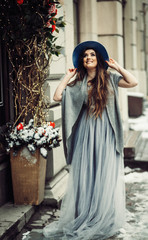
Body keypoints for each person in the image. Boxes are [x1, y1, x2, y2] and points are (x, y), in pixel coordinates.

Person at [43, 41, 138, 240]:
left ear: (98, 59)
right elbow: (58, 95)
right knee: (87, 174)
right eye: (85, 56)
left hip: (106, 131)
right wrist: (67, 76)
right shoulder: (78, 82)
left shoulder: (110, 78)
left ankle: (103, 216)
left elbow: (133, 82)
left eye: (92, 55)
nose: (89, 58)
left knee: (104, 174)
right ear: (82, 61)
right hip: (87, 133)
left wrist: (117, 66)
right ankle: (86, 215)